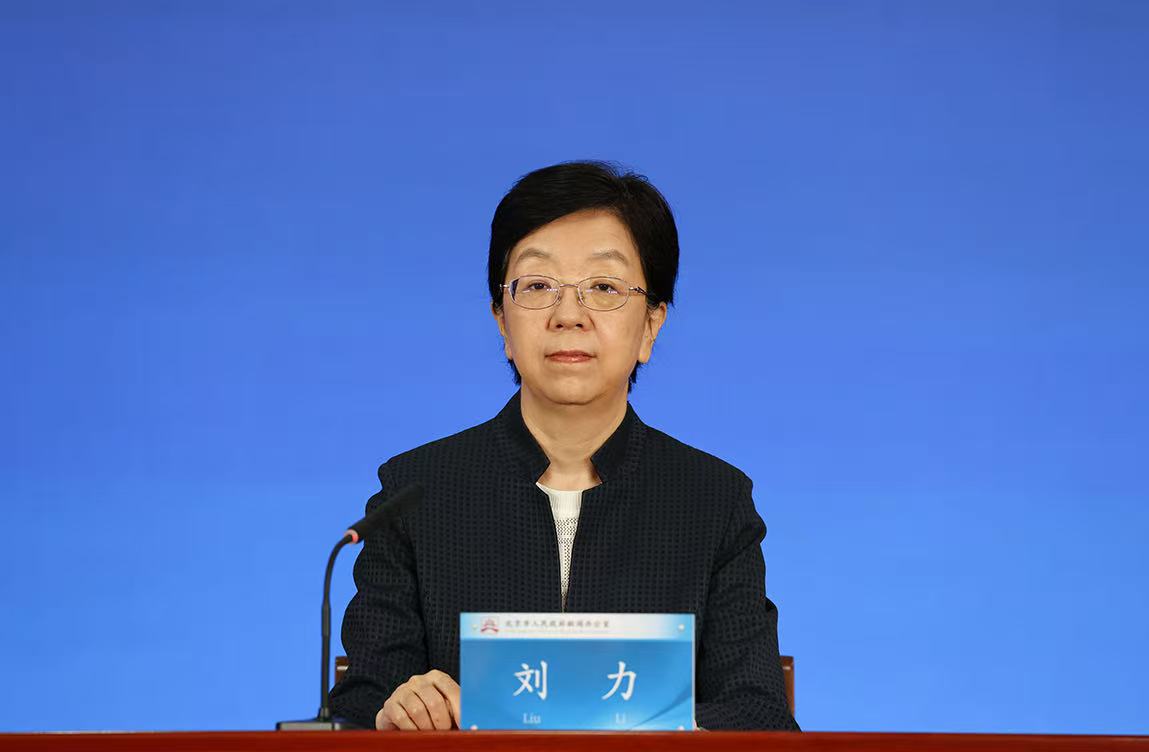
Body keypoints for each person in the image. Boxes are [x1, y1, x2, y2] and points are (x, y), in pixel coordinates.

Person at [328, 160, 800, 732]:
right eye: (537, 286)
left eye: (604, 287)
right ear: (501, 321)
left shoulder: (712, 502)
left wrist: (652, 736)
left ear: (652, 324)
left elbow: (758, 712)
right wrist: (400, 709)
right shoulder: (415, 496)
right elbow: (357, 710)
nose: (568, 315)